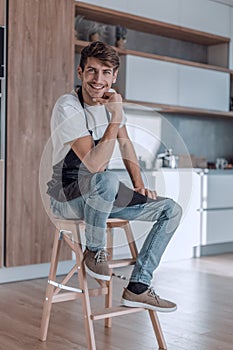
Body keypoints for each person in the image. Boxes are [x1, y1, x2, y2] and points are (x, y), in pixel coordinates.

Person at [47, 41, 182, 313]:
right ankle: (94, 251)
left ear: (115, 76)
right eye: (92, 71)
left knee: (171, 209)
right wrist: (115, 117)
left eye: (106, 72)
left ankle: (138, 287)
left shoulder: (111, 105)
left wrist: (140, 185)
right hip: (66, 196)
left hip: (99, 197)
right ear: (80, 72)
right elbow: (95, 166)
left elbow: (126, 144)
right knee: (107, 179)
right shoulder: (68, 106)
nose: (99, 80)